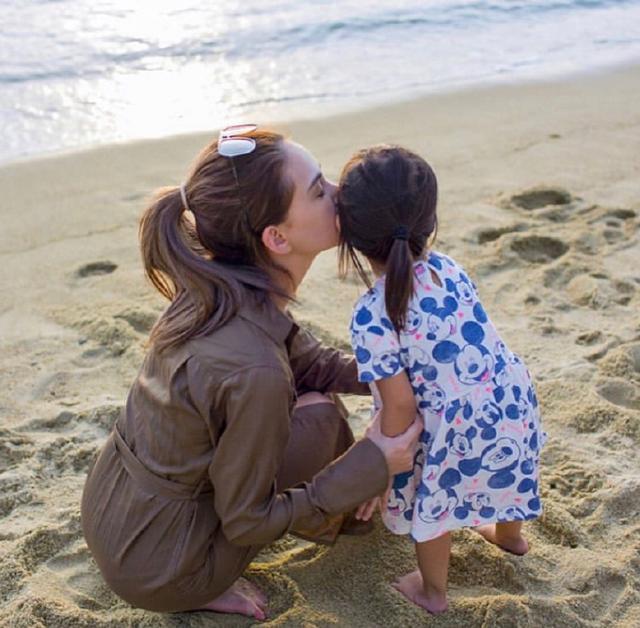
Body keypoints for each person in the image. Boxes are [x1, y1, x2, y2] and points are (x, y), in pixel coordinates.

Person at [80, 126, 423, 620]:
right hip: (163, 569)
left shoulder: (214, 287)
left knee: (313, 398)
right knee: (321, 418)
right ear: (277, 237)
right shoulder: (255, 368)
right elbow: (248, 523)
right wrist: (373, 461)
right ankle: (200, 584)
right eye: (319, 190)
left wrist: (400, 371)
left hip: (114, 515)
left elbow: (311, 363)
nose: (338, 194)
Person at [336, 145, 546, 614]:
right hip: (511, 397)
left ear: (349, 236)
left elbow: (401, 406)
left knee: (436, 503)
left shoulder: (372, 314)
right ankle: (510, 538)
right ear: (428, 221)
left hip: (453, 427)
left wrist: (384, 466)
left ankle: (432, 591)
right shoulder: (450, 268)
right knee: (508, 463)